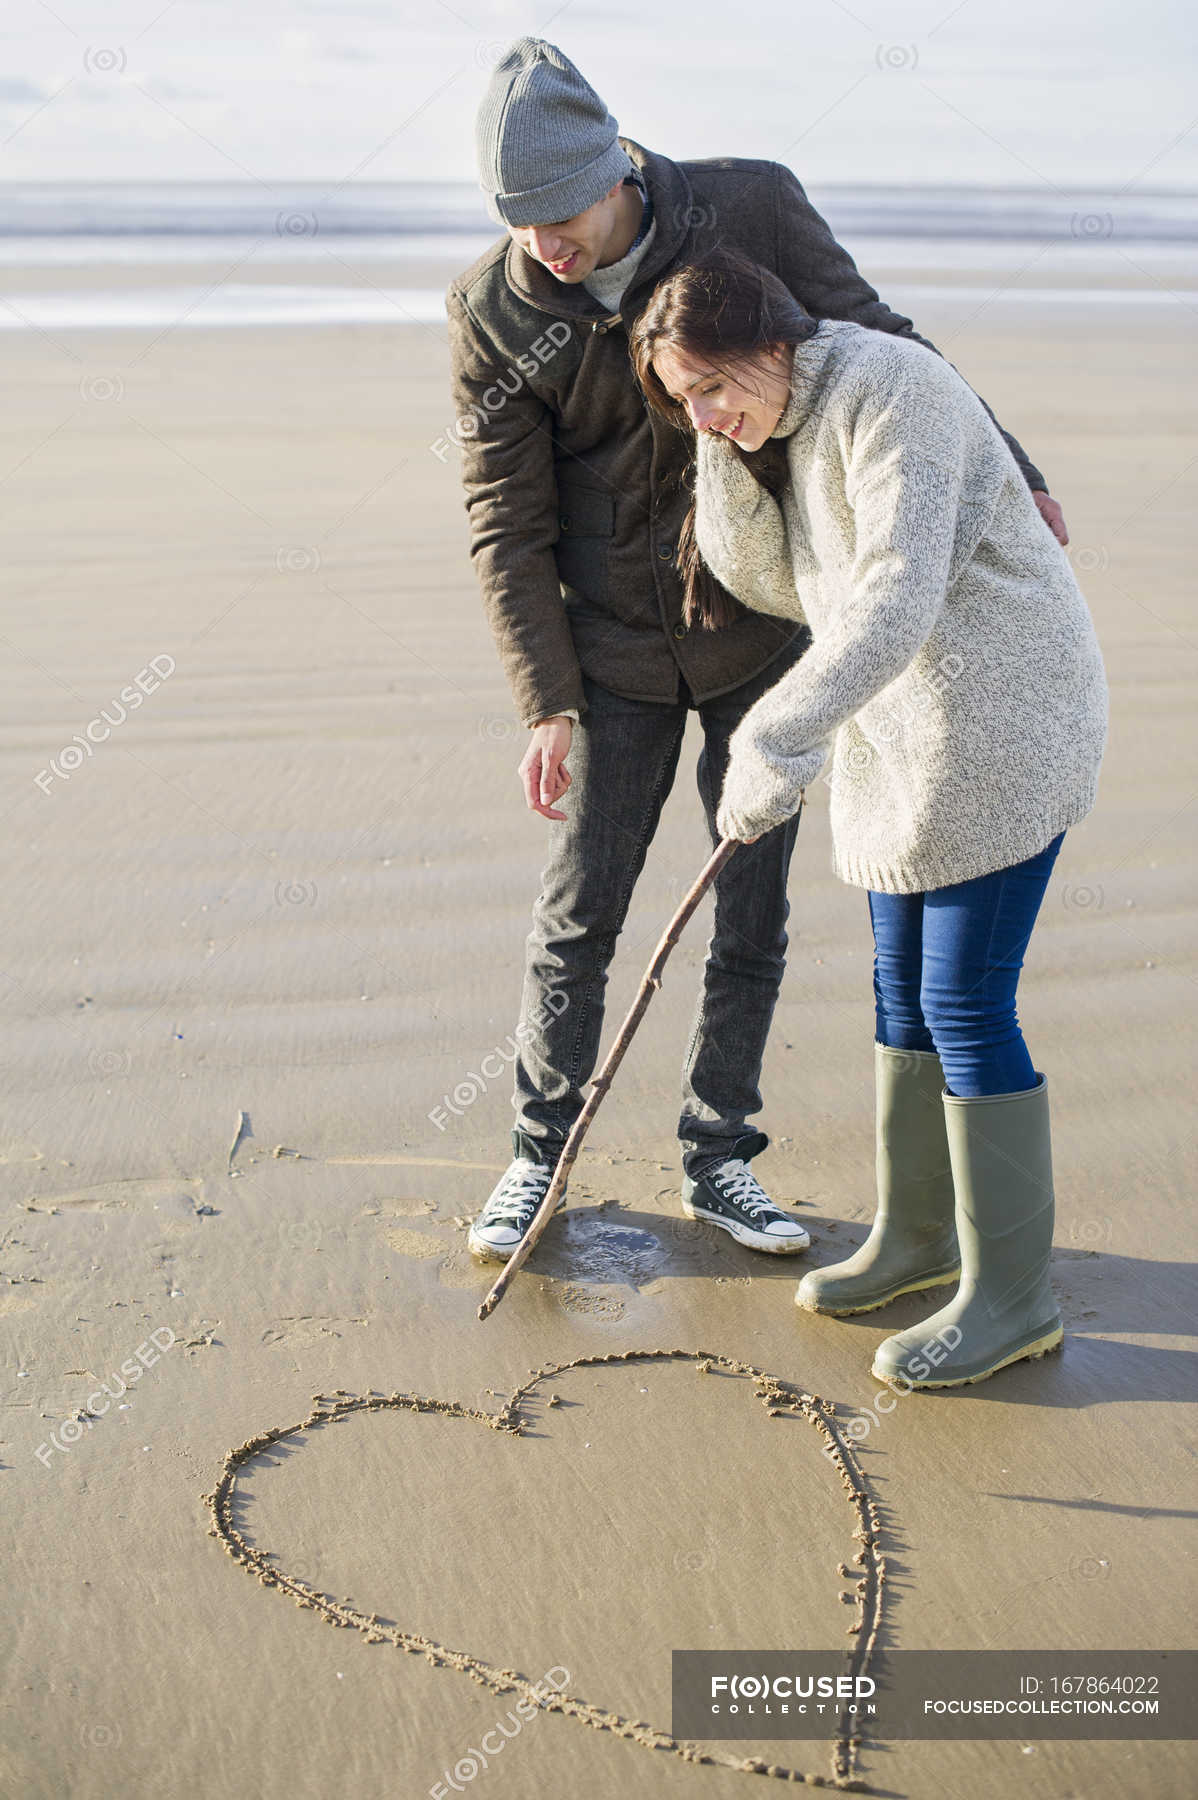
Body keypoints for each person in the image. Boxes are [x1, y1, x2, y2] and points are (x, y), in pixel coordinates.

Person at [446, 36, 1067, 1264]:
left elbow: (888, 343)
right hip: (608, 652)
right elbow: (502, 518)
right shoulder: (494, 307)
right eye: (516, 223)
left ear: (614, 162)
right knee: (580, 914)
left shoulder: (751, 208)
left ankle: (719, 1157)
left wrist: (1019, 469)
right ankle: (537, 1154)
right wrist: (544, 700)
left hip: (762, 632)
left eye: (559, 214)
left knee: (751, 911)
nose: (544, 246)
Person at [627, 246, 1107, 1388]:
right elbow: (771, 583)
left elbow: (895, 589)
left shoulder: (897, 389)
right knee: (899, 996)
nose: (702, 411)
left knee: (963, 1000)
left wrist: (772, 735)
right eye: (681, 398)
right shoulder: (777, 418)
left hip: (1003, 719)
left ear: (770, 340)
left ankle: (1013, 1298)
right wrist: (722, 449)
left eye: (709, 386)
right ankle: (917, 1239)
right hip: (899, 732)